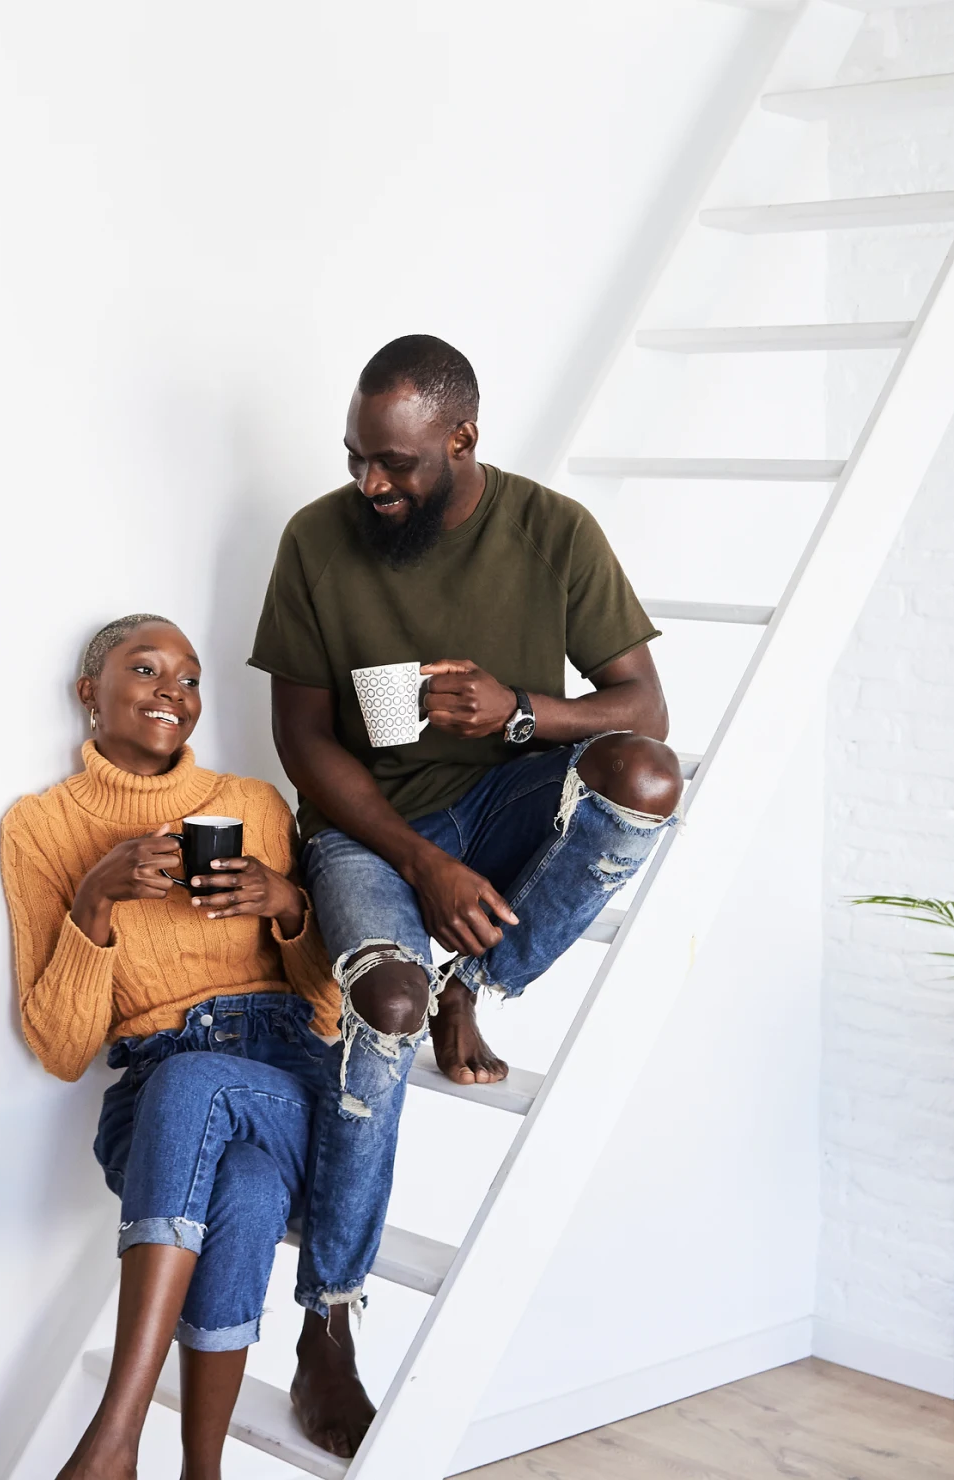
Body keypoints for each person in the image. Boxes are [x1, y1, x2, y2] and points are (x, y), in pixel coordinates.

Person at [246, 335, 685, 1443]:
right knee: (383, 1006)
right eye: (356, 458)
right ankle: (327, 1323)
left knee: (644, 779)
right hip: (367, 829)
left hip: (504, 805)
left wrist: (521, 713)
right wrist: (420, 860)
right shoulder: (316, 539)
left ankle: (474, 975)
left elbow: (645, 704)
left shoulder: (551, 531)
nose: (370, 484)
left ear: (462, 439)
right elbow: (303, 740)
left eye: (394, 464)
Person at [0, 614, 372, 1480]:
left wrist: (285, 906)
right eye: (146, 669)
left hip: (284, 1075)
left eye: (192, 678)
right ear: (90, 693)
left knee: (199, 1082)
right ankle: (201, 1471)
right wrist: (95, 899)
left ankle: (112, 1436)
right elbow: (60, 1048)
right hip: (153, 1101)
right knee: (236, 1187)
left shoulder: (251, 805)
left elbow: (324, 1003)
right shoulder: (41, 828)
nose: (175, 692)